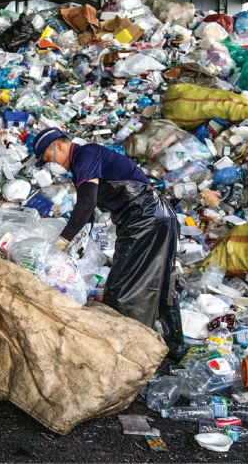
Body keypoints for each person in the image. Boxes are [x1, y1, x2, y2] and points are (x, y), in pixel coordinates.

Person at [33, 127, 185, 360]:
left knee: (122, 288)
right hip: (156, 217)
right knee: (163, 283)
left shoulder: (85, 155)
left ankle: (124, 354)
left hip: (146, 219)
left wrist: (63, 240)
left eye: (47, 158)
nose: (51, 165)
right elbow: (89, 211)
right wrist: (80, 245)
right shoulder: (83, 162)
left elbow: (86, 203)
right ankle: (176, 349)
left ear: (59, 146)